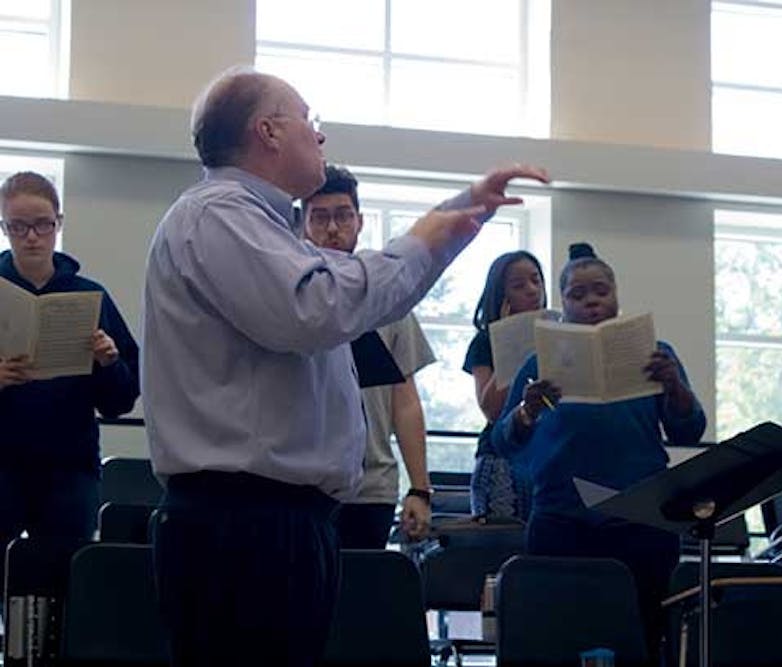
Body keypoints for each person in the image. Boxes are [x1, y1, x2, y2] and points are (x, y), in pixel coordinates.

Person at [141, 65, 549, 667]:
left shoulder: (266, 229)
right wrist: (428, 235)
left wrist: (457, 215)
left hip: (277, 521)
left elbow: (347, 299)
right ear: (270, 132)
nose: (320, 137)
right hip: (242, 524)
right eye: (312, 121)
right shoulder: (217, 214)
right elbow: (317, 308)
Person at [491, 242, 706, 665]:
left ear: (617, 296)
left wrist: (674, 387)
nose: (591, 301)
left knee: (641, 633)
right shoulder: (538, 363)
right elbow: (502, 441)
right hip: (560, 517)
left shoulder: (656, 355)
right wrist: (527, 410)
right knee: (559, 633)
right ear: (563, 302)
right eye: (578, 294)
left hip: (641, 517)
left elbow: (690, 429)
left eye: (601, 291)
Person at [0, 171, 139, 587]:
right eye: (18, 226)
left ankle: (55, 655)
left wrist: (109, 362)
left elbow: (120, 400)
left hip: (68, 467)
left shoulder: (89, 295)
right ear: (4, 227)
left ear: (59, 223)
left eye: (42, 224)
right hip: (2, 464)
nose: (32, 237)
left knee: (64, 579)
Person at [301, 164, 434, 546]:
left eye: (342, 216)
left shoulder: (385, 293)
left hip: (371, 485)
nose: (332, 229)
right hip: (302, 481)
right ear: (303, 225)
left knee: (363, 595)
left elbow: (405, 401)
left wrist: (420, 489)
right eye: (320, 217)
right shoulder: (289, 290)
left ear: (359, 222)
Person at [463, 250, 547, 519]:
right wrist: (514, 341)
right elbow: (492, 410)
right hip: (502, 460)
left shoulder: (557, 334)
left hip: (547, 452)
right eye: (519, 286)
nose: (532, 291)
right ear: (502, 296)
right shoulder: (484, 342)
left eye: (536, 281)